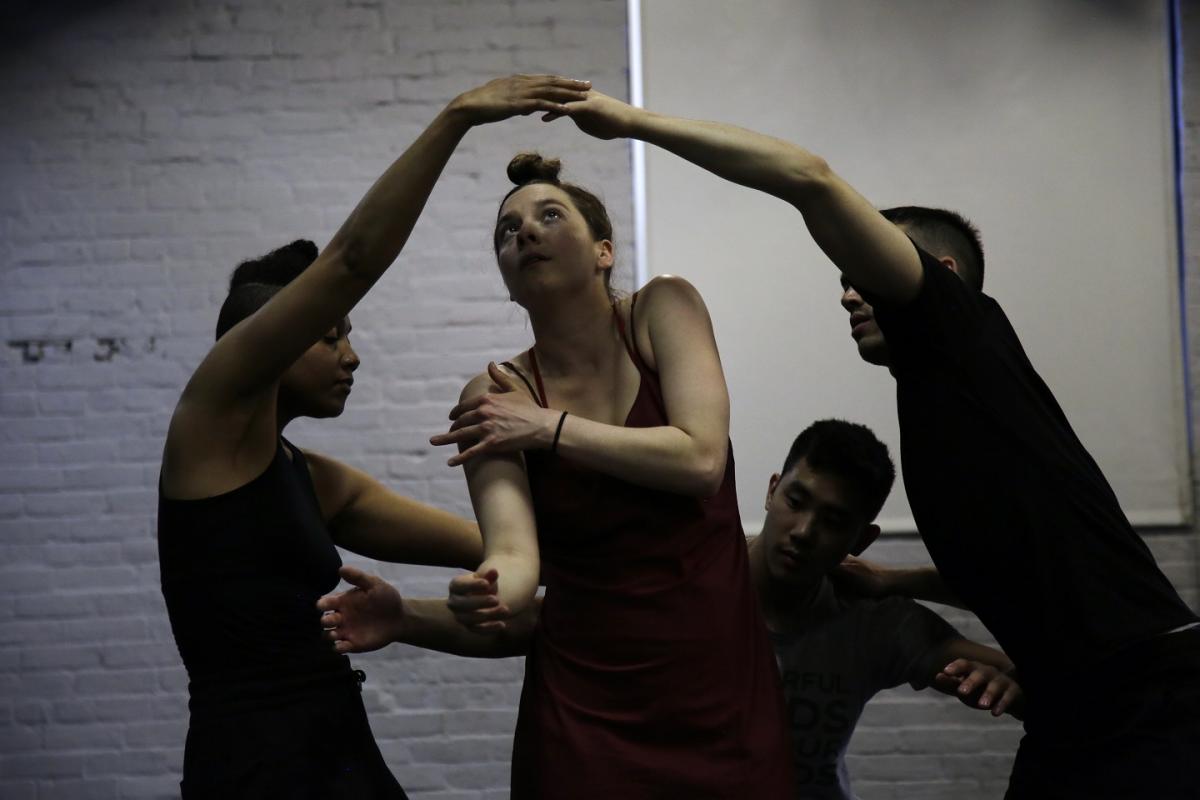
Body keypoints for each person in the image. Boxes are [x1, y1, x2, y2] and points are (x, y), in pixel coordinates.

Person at [545, 91, 1200, 797]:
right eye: (844, 283)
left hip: (1152, 701)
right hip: (1078, 712)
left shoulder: (962, 331)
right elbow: (1029, 562)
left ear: (938, 277)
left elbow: (807, 177)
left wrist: (630, 123)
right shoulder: (944, 400)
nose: (848, 296)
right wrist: (896, 582)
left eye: (863, 278)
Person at [156, 74, 590, 799]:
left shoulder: (311, 478)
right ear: (268, 345)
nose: (351, 355)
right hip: (255, 767)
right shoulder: (210, 423)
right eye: (329, 336)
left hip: (340, 746)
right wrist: (459, 116)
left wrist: (723, 565)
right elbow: (351, 261)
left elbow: (505, 549)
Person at [317, 418, 1023, 800]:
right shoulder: (689, 570)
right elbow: (539, 624)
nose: (804, 531)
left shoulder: (877, 617)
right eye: (797, 502)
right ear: (773, 490)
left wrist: (1012, 684)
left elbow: (1026, 663)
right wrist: (406, 617)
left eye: (833, 522)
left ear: (860, 537)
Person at [423, 153, 794, 797]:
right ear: (507, 280)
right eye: (507, 232)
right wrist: (487, 591)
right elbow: (513, 554)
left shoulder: (662, 309)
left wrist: (548, 429)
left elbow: (701, 459)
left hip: (718, 693)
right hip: (582, 707)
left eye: (548, 215)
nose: (525, 233)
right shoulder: (495, 390)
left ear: (603, 252)